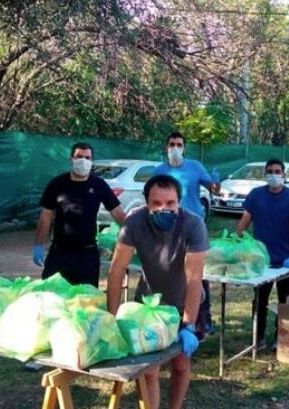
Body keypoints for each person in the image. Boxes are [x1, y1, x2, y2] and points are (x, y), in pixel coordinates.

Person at [107, 174, 208, 409]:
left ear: (179, 202)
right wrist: (110, 317)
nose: (164, 208)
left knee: (181, 364)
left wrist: (188, 325)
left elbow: (194, 279)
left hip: (185, 303)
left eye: (170, 203)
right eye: (157, 203)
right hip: (149, 307)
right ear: (146, 203)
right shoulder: (134, 222)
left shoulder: (194, 225)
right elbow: (116, 270)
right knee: (149, 370)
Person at [154, 131, 220, 337]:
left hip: (193, 228)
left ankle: (203, 320)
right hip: (167, 227)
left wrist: (216, 183)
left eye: (179, 144)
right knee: (169, 271)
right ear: (166, 148)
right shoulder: (159, 170)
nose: (175, 148)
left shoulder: (194, 167)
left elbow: (213, 189)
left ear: (184, 148)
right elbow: (152, 197)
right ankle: (170, 316)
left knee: (198, 274)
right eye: (172, 144)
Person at [33, 142, 125, 287]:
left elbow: (117, 213)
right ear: (71, 159)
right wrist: (38, 245)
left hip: (87, 255)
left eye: (87, 158)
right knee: (51, 298)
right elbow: (45, 216)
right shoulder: (57, 184)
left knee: (87, 302)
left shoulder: (99, 185)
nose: (83, 161)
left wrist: (135, 234)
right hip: (59, 253)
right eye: (79, 157)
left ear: (92, 161)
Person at [235, 158, 289, 350]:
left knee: (286, 301)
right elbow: (245, 219)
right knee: (259, 300)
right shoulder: (256, 195)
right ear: (265, 174)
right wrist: (234, 239)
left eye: (277, 171)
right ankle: (259, 337)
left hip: (286, 259)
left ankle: (281, 337)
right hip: (261, 259)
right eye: (270, 171)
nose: (274, 175)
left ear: (284, 175)